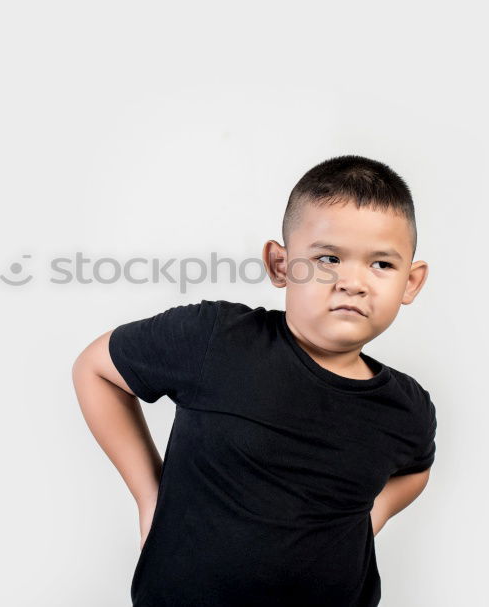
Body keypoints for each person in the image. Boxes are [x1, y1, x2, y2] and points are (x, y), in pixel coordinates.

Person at [72, 155, 438, 606]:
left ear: (411, 282)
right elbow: (96, 369)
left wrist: (368, 516)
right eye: (328, 258)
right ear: (281, 265)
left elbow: (416, 469)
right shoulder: (216, 339)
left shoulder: (408, 407)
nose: (353, 283)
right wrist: (150, 496)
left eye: (381, 264)